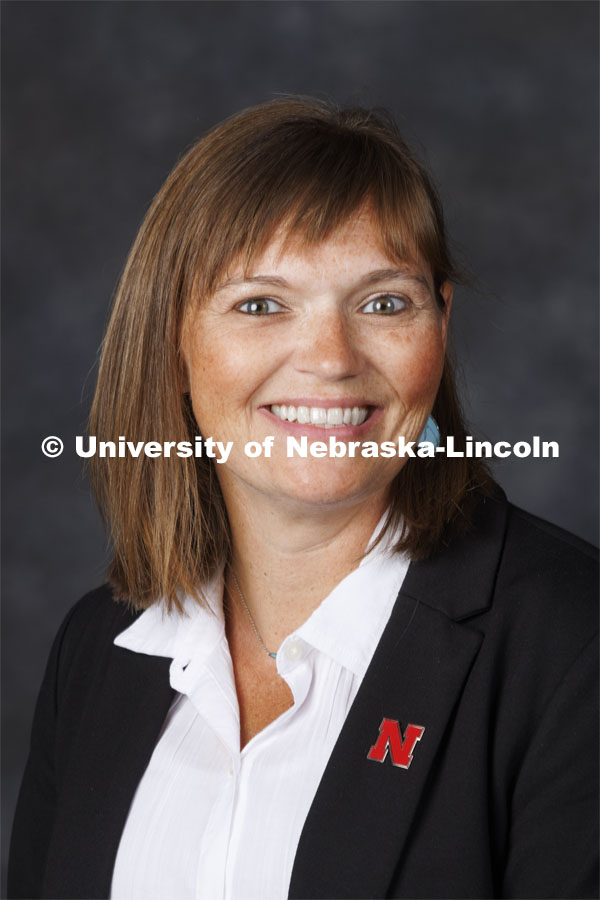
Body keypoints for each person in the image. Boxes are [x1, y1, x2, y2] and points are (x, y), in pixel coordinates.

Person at [8, 97, 598, 900]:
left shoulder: (573, 646)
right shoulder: (97, 648)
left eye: (385, 302)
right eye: (261, 305)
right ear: (171, 342)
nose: (329, 359)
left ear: (440, 323)